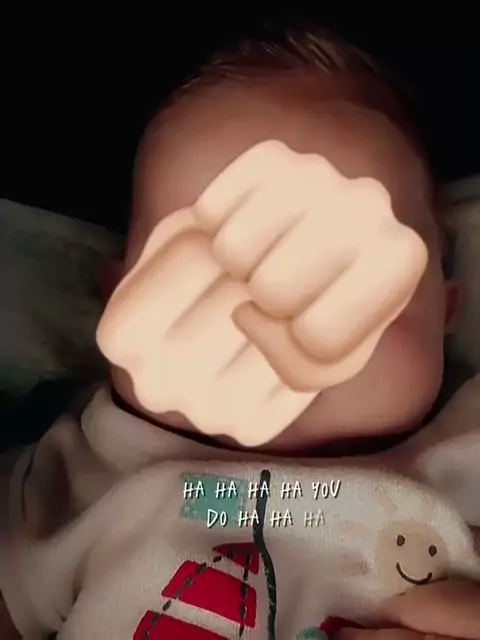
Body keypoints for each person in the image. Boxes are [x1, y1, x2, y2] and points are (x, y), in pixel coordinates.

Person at [1, 24, 480, 640]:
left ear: (445, 307)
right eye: (209, 268)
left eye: (344, 279)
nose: (269, 327)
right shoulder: (77, 475)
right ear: (117, 297)